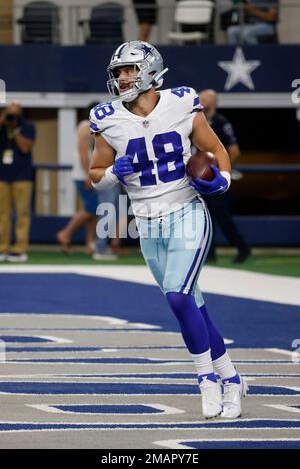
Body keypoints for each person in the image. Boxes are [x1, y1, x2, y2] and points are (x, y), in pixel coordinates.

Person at [89, 40, 248, 419]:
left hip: (185, 213)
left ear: (149, 71)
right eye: (119, 72)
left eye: (129, 70)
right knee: (192, 305)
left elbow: (217, 150)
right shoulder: (106, 117)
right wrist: (113, 173)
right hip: (146, 223)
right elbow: (95, 176)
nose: (123, 78)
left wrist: (221, 180)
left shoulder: (181, 102)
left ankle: (206, 380)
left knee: (179, 299)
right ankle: (232, 378)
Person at [56, 103, 118, 260]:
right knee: (92, 208)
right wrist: (87, 175)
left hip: (87, 174)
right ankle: (65, 233)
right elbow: (83, 153)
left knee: (94, 211)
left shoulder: (92, 127)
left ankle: (90, 244)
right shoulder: (85, 126)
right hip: (83, 175)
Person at [199, 89, 251, 263]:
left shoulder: (220, 122)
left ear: (213, 103)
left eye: (204, 99)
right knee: (204, 216)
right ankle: (210, 252)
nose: (200, 101)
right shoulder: (198, 121)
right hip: (200, 177)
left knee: (221, 215)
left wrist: (223, 170)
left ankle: (242, 247)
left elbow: (234, 150)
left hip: (215, 177)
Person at [0, 102, 36, 262]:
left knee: (22, 214)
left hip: (22, 176)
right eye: (9, 112)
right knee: (2, 214)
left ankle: (19, 249)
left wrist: (14, 130)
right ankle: (2, 248)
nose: (11, 116)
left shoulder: (27, 126)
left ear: (21, 113)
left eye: (14, 113)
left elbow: (26, 148)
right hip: (2, 175)